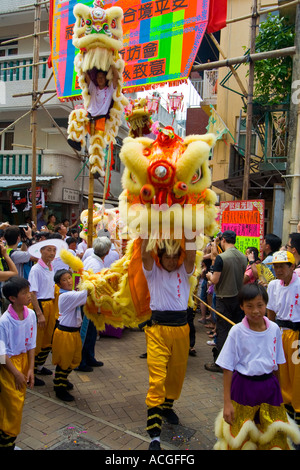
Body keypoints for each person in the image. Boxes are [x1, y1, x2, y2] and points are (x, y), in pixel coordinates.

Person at [214, 283, 300, 450]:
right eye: (249, 306)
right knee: (241, 435)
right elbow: (227, 368)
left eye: (260, 305)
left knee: (273, 435)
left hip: (270, 389)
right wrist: (227, 403)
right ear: (242, 307)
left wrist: (280, 393)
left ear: (266, 305)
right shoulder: (237, 332)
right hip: (243, 388)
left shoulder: (275, 329)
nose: (255, 311)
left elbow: (277, 366)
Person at [141, 237, 196, 451]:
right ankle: (154, 436)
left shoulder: (184, 271)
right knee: (157, 378)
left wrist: (192, 228)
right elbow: (145, 254)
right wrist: (147, 224)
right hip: (157, 331)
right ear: (160, 258)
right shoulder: (152, 271)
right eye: (167, 257)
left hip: (182, 330)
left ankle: (167, 406)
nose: (172, 261)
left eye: (175, 257)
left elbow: (191, 255)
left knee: (176, 375)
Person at [0, 276, 37, 450]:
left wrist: (30, 368)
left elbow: (31, 343)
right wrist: (16, 373)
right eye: (24, 293)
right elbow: (1, 354)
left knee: (16, 405)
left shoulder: (30, 314)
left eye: (28, 291)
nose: (29, 295)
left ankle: (8, 442)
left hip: (23, 362)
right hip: (8, 366)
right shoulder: (4, 321)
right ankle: (6, 443)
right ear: (12, 298)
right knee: (12, 407)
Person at [266, 250, 300, 432]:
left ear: (292, 267)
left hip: (297, 337)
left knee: (298, 376)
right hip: (280, 334)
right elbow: (270, 311)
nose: (277, 270)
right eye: (275, 266)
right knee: (282, 373)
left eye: (281, 266)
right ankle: (287, 418)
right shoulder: (273, 285)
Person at [205, 230, 247, 373]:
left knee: (223, 331)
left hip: (224, 298)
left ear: (223, 240)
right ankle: (235, 360)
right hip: (239, 298)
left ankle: (222, 364)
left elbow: (215, 280)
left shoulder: (221, 258)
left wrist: (209, 275)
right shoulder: (243, 256)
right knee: (235, 330)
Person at [27, 238, 67, 386]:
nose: (51, 253)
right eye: (48, 249)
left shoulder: (51, 267)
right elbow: (33, 293)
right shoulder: (36, 269)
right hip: (41, 306)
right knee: (37, 341)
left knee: (48, 339)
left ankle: (39, 366)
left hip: (51, 305)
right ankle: (31, 373)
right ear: (41, 251)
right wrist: (39, 313)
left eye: (53, 250)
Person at [52, 269, 87, 402]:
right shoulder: (66, 296)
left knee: (74, 359)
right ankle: (59, 388)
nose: (68, 281)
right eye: (64, 280)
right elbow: (87, 293)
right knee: (63, 362)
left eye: (69, 278)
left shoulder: (71, 293)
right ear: (59, 284)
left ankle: (63, 380)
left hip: (73, 332)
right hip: (65, 334)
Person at [77, 237, 111, 372]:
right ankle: (80, 361)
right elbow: (94, 288)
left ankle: (89, 357)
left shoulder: (92, 259)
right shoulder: (95, 264)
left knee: (91, 332)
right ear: (107, 252)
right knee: (85, 332)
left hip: (89, 302)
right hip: (88, 303)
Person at [68, 66, 119, 151]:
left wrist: (113, 65)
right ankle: (76, 141)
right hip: (88, 116)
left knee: (96, 145)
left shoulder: (109, 90)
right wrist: (82, 63)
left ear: (105, 79)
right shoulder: (93, 88)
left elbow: (116, 77)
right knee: (77, 115)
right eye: (98, 77)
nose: (100, 79)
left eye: (102, 77)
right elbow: (86, 76)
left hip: (100, 120)